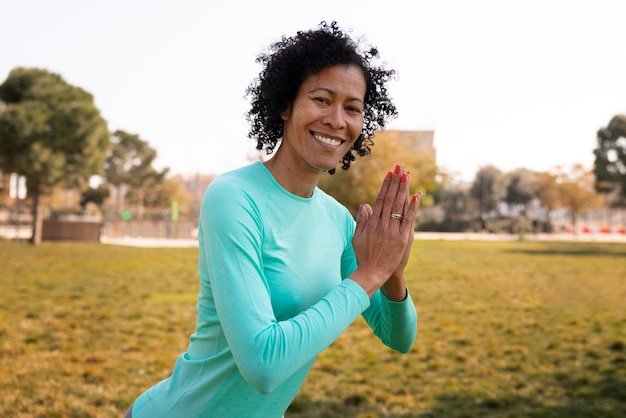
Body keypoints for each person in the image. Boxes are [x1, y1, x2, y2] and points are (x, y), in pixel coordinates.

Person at [125, 20, 420, 418]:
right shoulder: (234, 197)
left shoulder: (336, 219)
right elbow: (263, 365)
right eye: (321, 99)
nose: (337, 119)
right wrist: (369, 274)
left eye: (352, 108)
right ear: (285, 104)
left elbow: (398, 337)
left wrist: (392, 271)